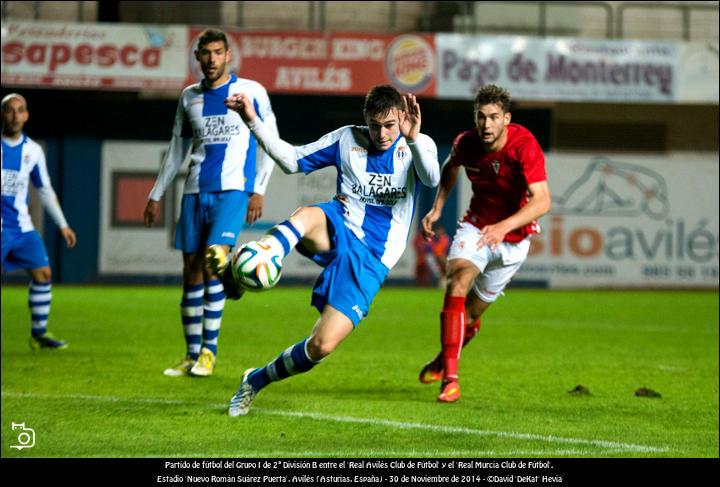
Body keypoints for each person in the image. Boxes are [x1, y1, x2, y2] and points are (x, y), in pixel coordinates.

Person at [217, 84, 440, 416]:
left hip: (372, 259)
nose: (382, 133)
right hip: (341, 225)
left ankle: (255, 380)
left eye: (390, 125)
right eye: (375, 125)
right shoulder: (346, 139)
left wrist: (411, 138)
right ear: (365, 118)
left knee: (320, 346)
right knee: (308, 214)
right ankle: (257, 257)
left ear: (403, 118)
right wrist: (252, 119)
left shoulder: (418, 145)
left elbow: (431, 178)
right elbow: (291, 161)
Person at [143, 28, 279, 377]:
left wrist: (259, 188)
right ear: (198, 58)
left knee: (214, 260)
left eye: (218, 52)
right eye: (206, 53)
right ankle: (190, 355)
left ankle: (209, 353)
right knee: (190, 271)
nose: (212, 59)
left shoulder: (251, 92)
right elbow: (177, 149)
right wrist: (156, 193)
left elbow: (271, 140)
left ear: (228, 56)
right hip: (193, 190)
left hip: (234, 190)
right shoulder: (189, 97)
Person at [419, 84, 551, 403]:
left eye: (493, 117)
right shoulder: (466, 143)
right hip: (477, 227)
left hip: (514, 238)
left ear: (506, 118)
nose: (486, 124)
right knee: (458, 278)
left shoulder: (524, 145)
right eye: (481, 117)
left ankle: (444, 356)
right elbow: (451, 167)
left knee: (472, 313)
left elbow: (543, 200)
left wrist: (503, 227)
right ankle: (450, 379)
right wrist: (438, 206)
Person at [1, 93, 77, 350]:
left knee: (43, 273)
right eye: (9, 110)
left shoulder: (32, 151)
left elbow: (44, 189)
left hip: (22, 229)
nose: (14, 115)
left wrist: (63, 224)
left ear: (26, 116)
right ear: (3, 114)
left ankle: (39, 333)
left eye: (19, 110)